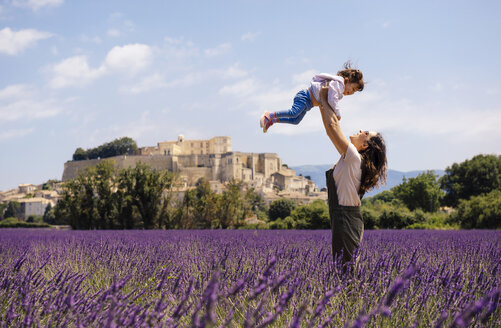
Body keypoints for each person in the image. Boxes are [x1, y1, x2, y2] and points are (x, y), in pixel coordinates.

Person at [317, 86, 387, 268]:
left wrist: (324, 98)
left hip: (345, 220)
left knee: (345, 273)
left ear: (365, 146)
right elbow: (329, 128)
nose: (361, 130)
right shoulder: (352, 158)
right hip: (344, 219)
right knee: (344, 271)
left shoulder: (354, 158)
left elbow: (333, 127)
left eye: (366, 133)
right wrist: (321, 104)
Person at [259, 61, 364, 133]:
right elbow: (332, 99)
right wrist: (337, 113)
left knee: (296, 121)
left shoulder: (339, 90)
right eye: (353, 89)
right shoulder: (339, 84)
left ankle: (272, 121)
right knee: (293, 113)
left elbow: (330, 100)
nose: (351, 93)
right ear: (348, 81)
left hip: (309, 104)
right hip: (305, 96)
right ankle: (269, 114)